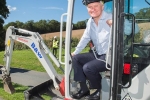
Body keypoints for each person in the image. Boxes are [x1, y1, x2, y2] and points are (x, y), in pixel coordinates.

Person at [71, 0, 112, 100]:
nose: (92, 9)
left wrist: (116, 24)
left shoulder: (111, 17)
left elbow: (131, 29)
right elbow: (85, 38)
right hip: (98, 53)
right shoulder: (90, 22)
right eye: (90, 7)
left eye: (95, 6)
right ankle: (84, 89)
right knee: (76, 59)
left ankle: (98, 91)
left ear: (102, 7)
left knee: (88, 68)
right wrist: (75, 52)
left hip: (110, 56)